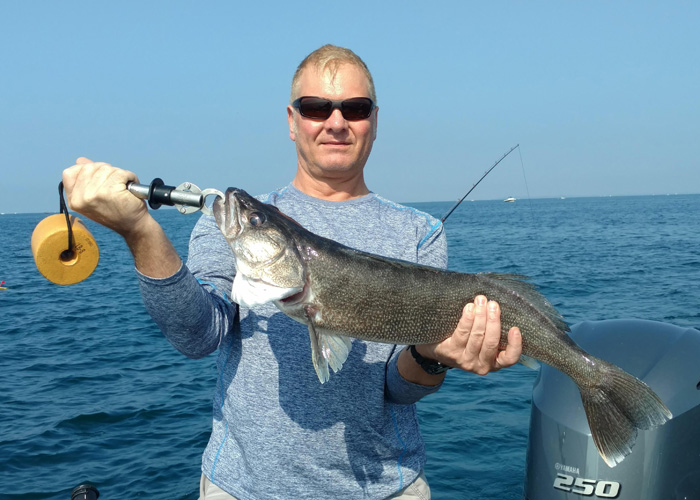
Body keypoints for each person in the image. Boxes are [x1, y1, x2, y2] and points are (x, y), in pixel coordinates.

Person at [62, 44, 522, 500]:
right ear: (291, 120)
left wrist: (432, 357)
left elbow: (399, 390)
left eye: (355, 109)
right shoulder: (228, 225)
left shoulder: (419, 234)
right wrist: (140, 231)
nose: (336, 122)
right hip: (243, 489)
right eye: (316, 107)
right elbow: (198, 335)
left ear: (374, 121)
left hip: (384, 488)